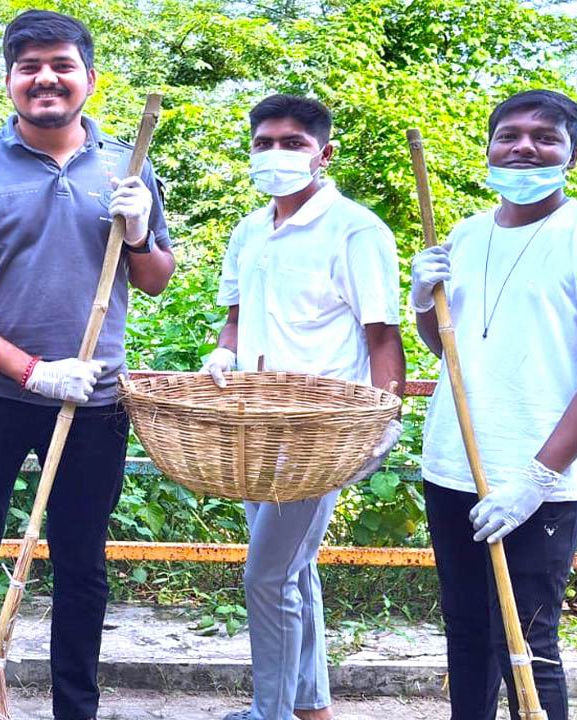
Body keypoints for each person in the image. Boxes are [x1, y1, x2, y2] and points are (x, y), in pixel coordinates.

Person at [0, 9, 175, 719]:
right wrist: (29, 369)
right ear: (9, 80)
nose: (45, 78)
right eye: (28, 67)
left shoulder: (129, 165)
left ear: (89, 77)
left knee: (82, 564)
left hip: (93, 400)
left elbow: (155, 279)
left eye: (61, 65)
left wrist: (141, 231)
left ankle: (75, 710)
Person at [410, 89, 577, 720]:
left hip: (538, 479)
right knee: (466, 633)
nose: (524, 147)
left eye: (545, 137)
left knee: (528, 645)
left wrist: (535, 482)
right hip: (453, 464)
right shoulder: (463, 235)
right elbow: (451, 349)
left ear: (572, 154)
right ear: (489, 148)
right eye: (509, 135)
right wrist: (422, 301)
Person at [200, 94, 405, 720]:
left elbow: (382, 336)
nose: (276, 154)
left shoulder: (356, 230)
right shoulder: (249, 230)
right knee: (293, 570)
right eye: (264, 143)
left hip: (320, 432)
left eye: (293, 143)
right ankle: (311, 706)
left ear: (324, 153)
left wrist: (385, 419)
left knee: (266, 577)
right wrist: (223, 352)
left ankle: (271, 714)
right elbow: (235, 319)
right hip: (256, 425)